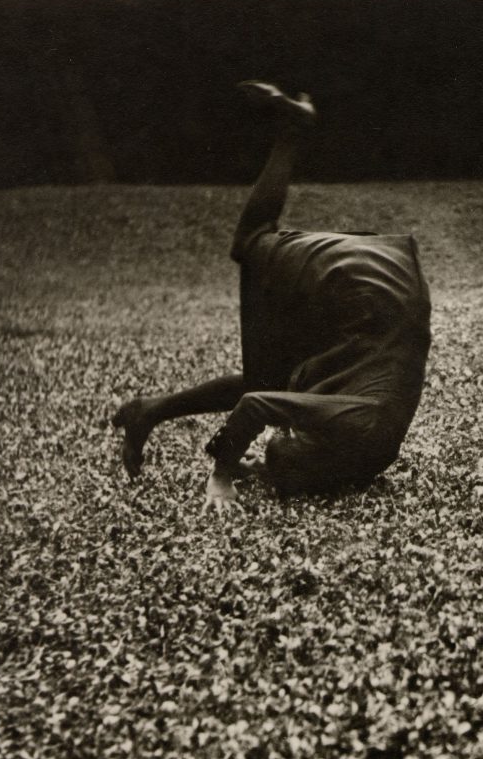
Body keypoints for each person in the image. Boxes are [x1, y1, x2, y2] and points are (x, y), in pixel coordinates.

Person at [112, 82, 432, 509]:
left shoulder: (362, 456)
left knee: (275, 376)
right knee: (251, 240)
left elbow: (276, 408)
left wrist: (263, 468)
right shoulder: (355, 430)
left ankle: (149, 410)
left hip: (390, 300)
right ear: (318, 451)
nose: (286, 432)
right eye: (291, 438)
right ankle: (291, 131)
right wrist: (222, 474)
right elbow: (257, 405)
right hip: (364, 291)